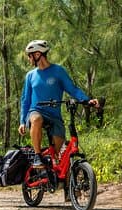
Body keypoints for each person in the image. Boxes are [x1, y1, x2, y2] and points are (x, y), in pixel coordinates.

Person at [18, 40, 99, 168]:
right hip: (35, 112)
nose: (29, 59)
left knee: (60, 158)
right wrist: (22, 121)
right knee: (37, 119)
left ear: (38, 54)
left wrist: (87, 100)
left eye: (30, 55)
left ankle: (64, 183)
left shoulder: (58, 71)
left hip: (54, 116)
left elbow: (72, 89)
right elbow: (25, 100)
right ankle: (38, 156)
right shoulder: (30, 76)